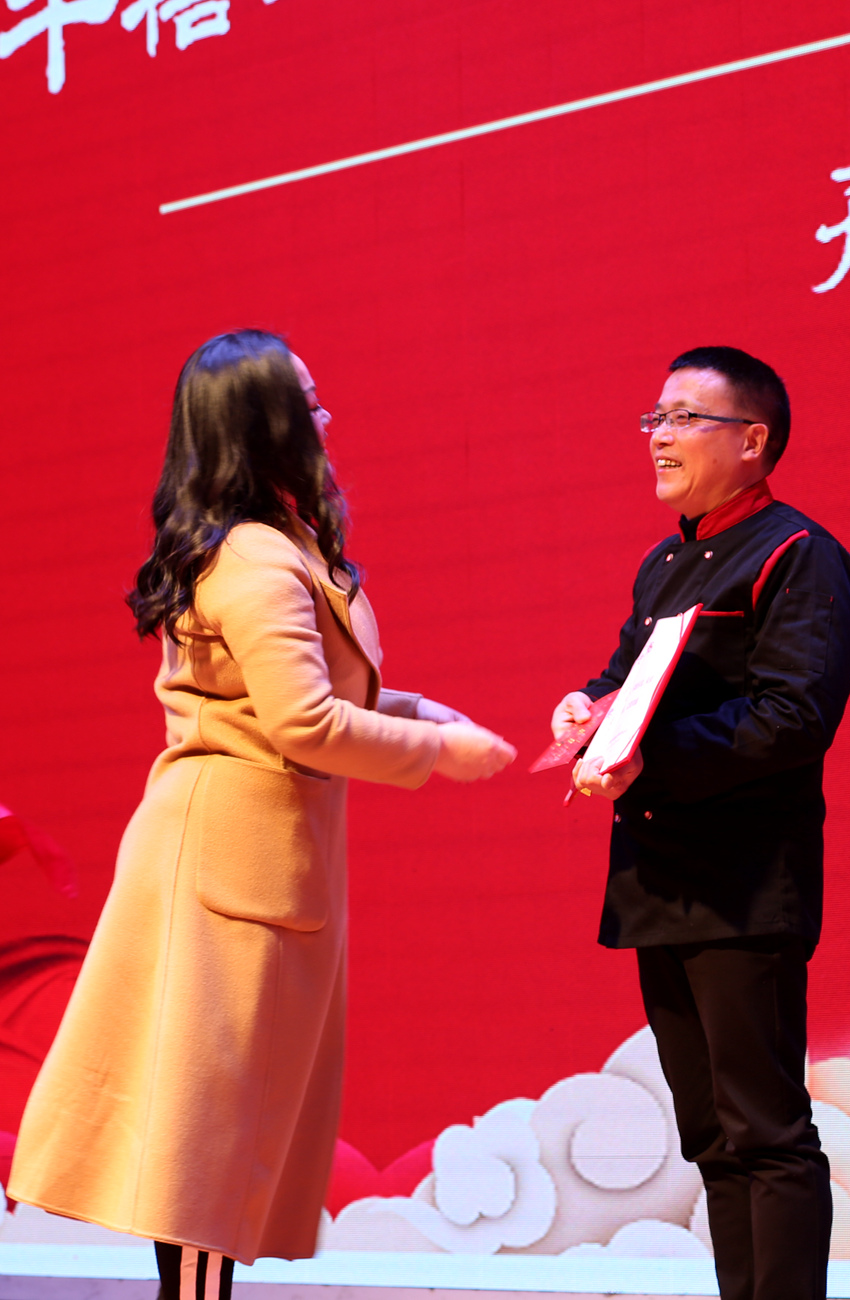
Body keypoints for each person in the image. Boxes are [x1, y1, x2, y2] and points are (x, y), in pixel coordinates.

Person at [8, 330, 516, 1300]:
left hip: (249, 858)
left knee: (224, 1132)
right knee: (211, 1136)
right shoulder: (253, 559)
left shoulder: (277, 542)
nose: (326, 416)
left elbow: (310, 693)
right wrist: (437, 754)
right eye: (308, 400)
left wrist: (422, 713)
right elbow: (304, 721)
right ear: (265, 422)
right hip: (230, 869)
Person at [550, 346, 850, 1300]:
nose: (659, 436)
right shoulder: (663, 564)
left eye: (684, 417)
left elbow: (790, 718)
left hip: (744, 884)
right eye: (654, 418)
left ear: (752, 440)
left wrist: (651, 754)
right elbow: (627, 682)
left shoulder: (798, 555)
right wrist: (586, 708)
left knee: (765, 1132)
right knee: (713, 1139)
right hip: (660, 878)